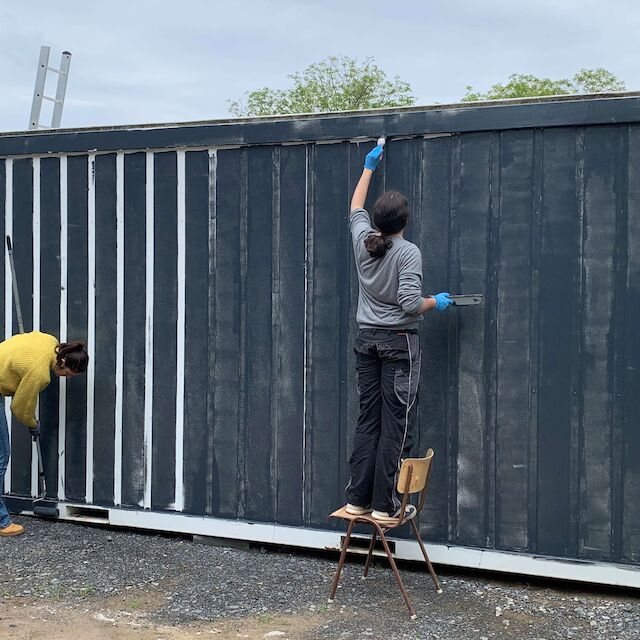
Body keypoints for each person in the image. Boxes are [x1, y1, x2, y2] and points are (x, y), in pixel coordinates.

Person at [345, 143, 453, 524]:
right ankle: (386, 504)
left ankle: (358, 500)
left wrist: (367, 167)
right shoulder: (407, 252)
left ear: (378, 221)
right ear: (404, 221)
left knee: (368, 420)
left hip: (366, 342)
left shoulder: (364, 241)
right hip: (398, 344)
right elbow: (409, 304)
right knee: (397, 422)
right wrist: (434, 302)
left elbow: (355, 207)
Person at [0, 332, 88, 536]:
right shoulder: (40, 374)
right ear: (63, 361)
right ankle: (3, 522)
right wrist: (32, 423)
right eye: (67, 374)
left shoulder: (49, 341)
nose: (66, 378)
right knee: (2, 457)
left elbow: (23, 342)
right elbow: (19, 408)